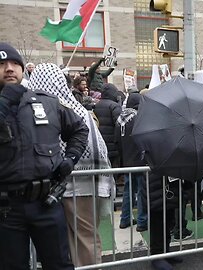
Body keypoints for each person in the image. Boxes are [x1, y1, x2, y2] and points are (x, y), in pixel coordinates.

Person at [0, 43, 88, 269]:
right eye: (1, 65)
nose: (9, 69)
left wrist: (71, 159)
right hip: (6, 209)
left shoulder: (46, 101)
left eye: (14, 64)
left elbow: (79, 128)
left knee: (59, 264)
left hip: (46, 203)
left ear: (22, 69)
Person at [28, 63, 115, 266]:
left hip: (68, 184)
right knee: (83, 237)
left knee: (76, 239)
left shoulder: (48, 113)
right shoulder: (80, 110)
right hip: (88, 182)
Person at [116, 93, 148, 232]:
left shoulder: (120, 119)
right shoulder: (139, 117)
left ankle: (125, 219)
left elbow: (116, 141)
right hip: (140, 161)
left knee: (128, 191)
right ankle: (142, 221)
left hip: (127, 161)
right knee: (142, 192)